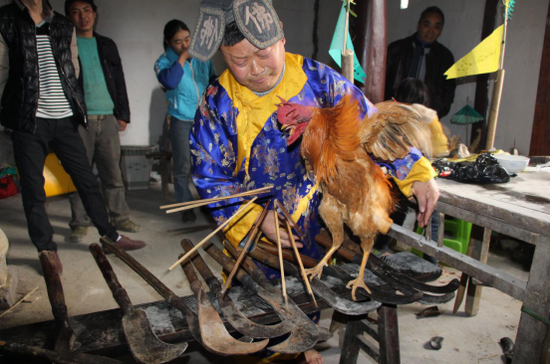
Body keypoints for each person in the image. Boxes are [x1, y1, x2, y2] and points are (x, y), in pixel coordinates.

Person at [188, 1, 439, 363]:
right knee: (258, 314)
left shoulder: (319, 81)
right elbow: (210, 177)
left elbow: (369, 125)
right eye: (239, 61)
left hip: (316, 219)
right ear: (222, 56)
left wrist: (416, 173)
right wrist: (256, 218)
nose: (255, 69)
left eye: (262, 54)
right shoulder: (217, 104)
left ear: (282, 39)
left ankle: (302, 346)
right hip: (252, 235)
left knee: (308, 295)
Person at [0, 0, 145, 275]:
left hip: (64, 119)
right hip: (28, 121)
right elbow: (2, 68)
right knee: (33, 190)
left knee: (88, 181)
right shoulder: (6, 18)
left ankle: (110, 235)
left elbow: (73, 68)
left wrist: (74, 108)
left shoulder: (63, 24)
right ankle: (46, 250)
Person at [64, 0, 140, 243]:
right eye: (76, 12)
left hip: (107, 118)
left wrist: (122, 114)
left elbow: (119, 79)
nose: (82, 16)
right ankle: (79, 222)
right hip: (79, 121)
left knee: (113, 174)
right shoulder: (65, 44)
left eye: (86, 10)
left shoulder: (106, 44)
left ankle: (119, 217)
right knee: (78, 174)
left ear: (94, 14)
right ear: (69, 17)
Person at [154, 20, 215, 223]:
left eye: (188, 39)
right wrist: (182, 57)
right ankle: (186, 206)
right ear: (168, 42)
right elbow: (169, 81)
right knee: (182, 165)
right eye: (178, 42)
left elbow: (212, 81)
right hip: (180, 120)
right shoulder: (163, 62)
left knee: (206, 163)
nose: (185, 45)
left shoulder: (201, 59)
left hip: (203, 119)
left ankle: (207, 203)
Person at [385, 6, 456, 118]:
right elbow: (383, 80)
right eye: (427, 25)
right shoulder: (396, 49)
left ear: (441, 29)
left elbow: (448, 91)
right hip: (394, 114)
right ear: (419, 25)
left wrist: (432, 112)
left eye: (436, 27)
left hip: (425, 117)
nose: (431, 31)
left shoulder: (445, 57)